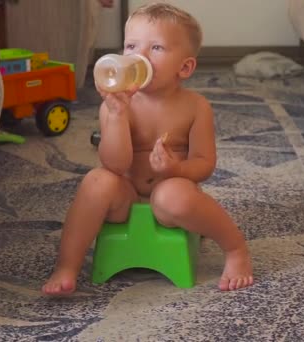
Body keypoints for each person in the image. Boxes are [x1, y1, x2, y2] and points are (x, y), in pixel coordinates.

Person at [42, 2, 254, 295]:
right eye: (130, 46)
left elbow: (205, 164)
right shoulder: (115, 104)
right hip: (125, 197)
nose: (138, 56)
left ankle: (235, 249)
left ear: (185, 67)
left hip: (171, 198)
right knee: (97, 180)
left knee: (173, 195)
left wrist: (176, 169)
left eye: (155, 48)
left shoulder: (195, 107)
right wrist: (116, 116)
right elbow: (114, 165)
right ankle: (67, 265)